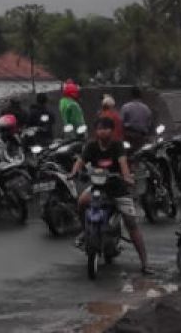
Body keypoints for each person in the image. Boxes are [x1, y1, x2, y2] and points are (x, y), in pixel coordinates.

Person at [70, 117, 150, 273]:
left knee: (131, 223)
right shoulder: (91, 146)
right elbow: (80, 161)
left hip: (118, 189)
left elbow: (123, 163)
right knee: (81, 202)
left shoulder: (117, 145)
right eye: (99, 128)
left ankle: (145, 263)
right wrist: (73, 172)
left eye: (106, 128)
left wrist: (126, 177)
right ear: (95, 131)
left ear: (112, 131)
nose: (102, 131)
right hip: (98, 187)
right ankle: (85, 230)